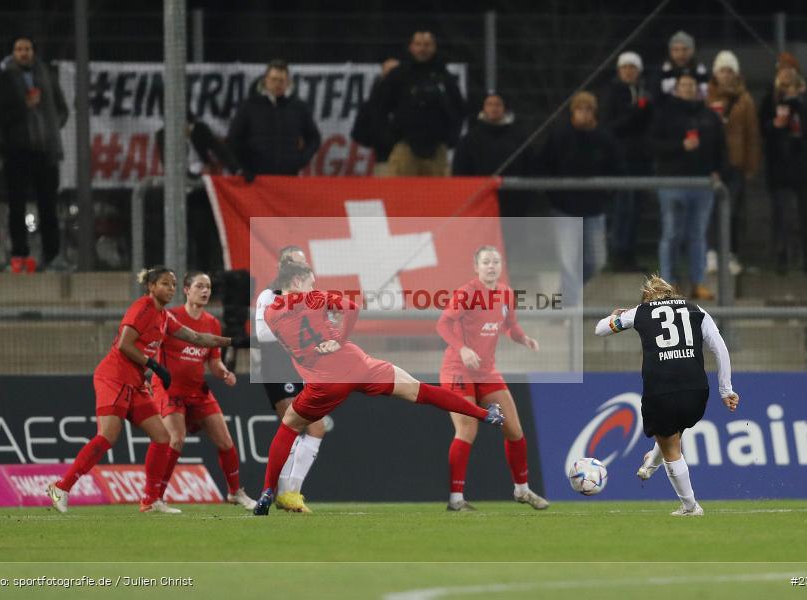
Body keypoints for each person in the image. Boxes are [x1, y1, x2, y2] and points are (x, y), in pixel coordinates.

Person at [253, 261, 504, 515]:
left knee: (289, 425)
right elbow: (351, 308)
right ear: (296, 282)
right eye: (310, 281)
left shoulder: (271, 314)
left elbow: (291, 339)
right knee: (422, 391)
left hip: (323, 383)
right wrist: (337, 340)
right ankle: (486, 414)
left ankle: (266, 491)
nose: (314, 285)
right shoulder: (316, 298)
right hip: (358, 365)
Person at [46, 267, 236, 514]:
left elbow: (197, 338)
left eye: (173, 285)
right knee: (107, 437)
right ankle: (61, 487)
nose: (170, 289)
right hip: (113, 377)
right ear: (151, 287)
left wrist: (237, 341)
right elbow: (125, 344)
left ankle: (150, 499)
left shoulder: (165, 317)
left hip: (135, 383)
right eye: (165, 284)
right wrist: (154, 365)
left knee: (162, 437)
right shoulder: (143, 307)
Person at [594, 274, 740, 516]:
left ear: (647, 297)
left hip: (660, 390)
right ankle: (651, 463)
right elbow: (719, 347)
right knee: (673, 431)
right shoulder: (696, 309)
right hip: (697, 390)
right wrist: (726, 389)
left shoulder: (640, 311)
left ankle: (690, 506)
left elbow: (600, 330)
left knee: (671, 447)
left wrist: (615, 317)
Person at [436, 246, 548, 511]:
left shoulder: (506, 294)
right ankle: (456, 499)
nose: (491, 266)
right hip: (457, 370)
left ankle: (522, 491)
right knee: (467, 429)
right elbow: (442, 324)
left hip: (486, 371)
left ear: (501, 266)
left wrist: (524, 339)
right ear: (476, 266)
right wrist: (462, 349)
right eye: (486, 262)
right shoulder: (466, 293)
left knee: (514, 430)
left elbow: (510, 326)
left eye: (495, 262)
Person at [151, 271, 257, 511]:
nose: (205, 291)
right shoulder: (170, 317)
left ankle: (234, 492)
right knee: (175, 439)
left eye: (208, 287)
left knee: (225, 440)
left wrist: (224, 373)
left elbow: (214, 362)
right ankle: (156, 497)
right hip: (169, 390)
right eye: (199, 286)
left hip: (197, 390)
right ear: (186, 290)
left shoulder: (212, 322)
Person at [0, 36, 69, 273]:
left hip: (45, 151)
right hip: (18, 152)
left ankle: (52, 256)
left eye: (27, 49)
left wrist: (52, 126)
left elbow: (62, 108)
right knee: (17, 206)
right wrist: (23, 105)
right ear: (13, 53)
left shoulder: (45, 75)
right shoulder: (5, 79)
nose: (23, 53)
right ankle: (19, 256)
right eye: (19, 49)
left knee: (48, 205)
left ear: (33, 51)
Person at [253, 245, 324, 512]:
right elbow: (263, 335)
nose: (304, 268)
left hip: (300, 368)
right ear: (286, 267)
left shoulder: (306, 297)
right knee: (293, 427)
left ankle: (290, 492)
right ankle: (283, 492)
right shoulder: (269, 296)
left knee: (316, 429)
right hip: (277, 369)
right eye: (298, 262)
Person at [538, 91, 624, 306]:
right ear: (572, 112)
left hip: (594, 208)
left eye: (588, 109)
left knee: (595, 261)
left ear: (594, 112)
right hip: (564, 208)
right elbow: (544, 165)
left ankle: (564, 297)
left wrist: (605, 194)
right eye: (580, 109)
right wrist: (555, 196)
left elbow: (617, 168)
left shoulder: (604, 137)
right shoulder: (560, 135)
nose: (584, 114)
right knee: (568, 261)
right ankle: (569, 307)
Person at [649, 72, 727, 300]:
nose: (687, 88)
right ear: (676, 89)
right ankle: (666, 285)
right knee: (672, 233)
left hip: (702, 184)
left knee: (697, 235)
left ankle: (698, 282)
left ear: (697, 88)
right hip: (672, 182)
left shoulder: (709, 116)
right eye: (683, 85)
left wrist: (718, 170)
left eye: (691, 85)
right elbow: (653, 144)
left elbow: (721, 147)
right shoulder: (665, 114)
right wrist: (680, 146)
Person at [759, 52, 807, 274]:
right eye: (782, 70)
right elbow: (761, 129)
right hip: (780, 165)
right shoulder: (771, 97)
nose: (786, 74)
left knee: (806, 215)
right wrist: (775, 124)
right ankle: (782, 259)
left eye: (790, 70)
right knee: (782, 215)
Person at [155, 113, 240, 273]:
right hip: (177, 193)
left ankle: (204, 275)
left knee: (203, 234)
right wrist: (193, 176)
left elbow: (220, 150)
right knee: (176, 236)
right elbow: (170, 165)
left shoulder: (200, 130)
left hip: (199, 192)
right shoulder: (163, 136)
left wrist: (237, 170)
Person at [375, 31, 466, 176]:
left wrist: (451, 137)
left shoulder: (444, 76)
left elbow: (459, 108)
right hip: (404, 148)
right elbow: (379, 107)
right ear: (411, 47)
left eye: (427, 45)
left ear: (434, 47)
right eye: (418, 44)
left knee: (437, 196)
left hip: (437, 150)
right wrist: (388, 137)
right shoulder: (398, 75)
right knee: (401, 195)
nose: (422, 49)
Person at [705, 50, 760, 276]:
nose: (726, 75)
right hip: (712, 165)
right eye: (722, 71)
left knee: (733, 210)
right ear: (715, 74)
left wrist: (750, 165)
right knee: (710, 210)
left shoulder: (744, 99)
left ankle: (729, 253)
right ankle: (710, 253)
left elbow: (752, 135)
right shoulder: (706, 96)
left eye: (730, 71)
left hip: (735, 163)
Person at [601, 51, 652, 271]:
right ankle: (618, 254)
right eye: (625, 67)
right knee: (623, 208)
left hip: (641, 159)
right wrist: (635, 111)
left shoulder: (644, 93)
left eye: (633, 67)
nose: (629, 71)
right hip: (621, 160)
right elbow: (610, 125)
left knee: (636, 208)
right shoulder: (613, 94)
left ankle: (629, 254)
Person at [227, 59, 321, 178]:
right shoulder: (249, 106)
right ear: (266, 80)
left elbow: (314, 138)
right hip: (256, 178)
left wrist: (300, 160)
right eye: (273, 79)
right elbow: (234, 139)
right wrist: (242, 167)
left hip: (288, 177)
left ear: (288, 82)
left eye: (281, 80)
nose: (277, 84)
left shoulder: (299, 107)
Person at [350, 58, 399, 176]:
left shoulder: (412, 100)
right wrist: (380, 142)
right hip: (384, 161)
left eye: (396, 72)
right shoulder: (372, 104)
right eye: (389, 73)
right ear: (383, 75)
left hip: (412, 161)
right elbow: (357, 132)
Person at [655, 31, 708, 101]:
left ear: (692, 51)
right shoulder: (660, 73)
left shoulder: (702, 72)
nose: (681, 54)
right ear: (671, 52)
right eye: (676, 50)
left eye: (685, 49)